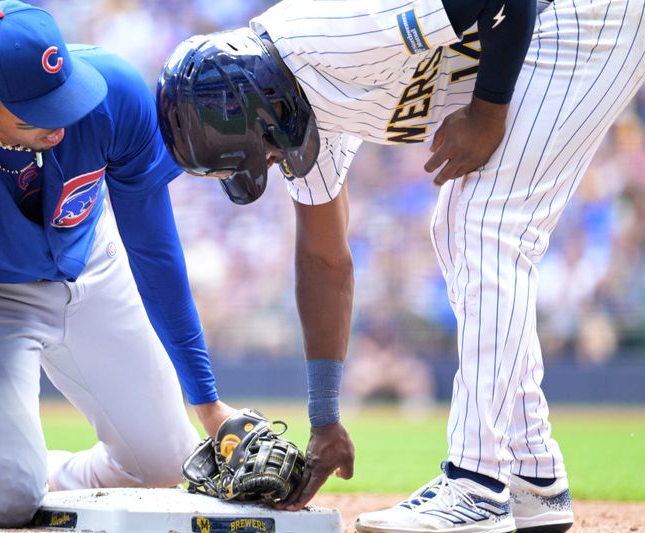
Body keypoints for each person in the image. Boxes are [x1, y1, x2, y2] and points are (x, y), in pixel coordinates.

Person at [156, 0, 645, 531]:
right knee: (462, 228)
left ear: (263, 105)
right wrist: (324, 419)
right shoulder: (295, 109)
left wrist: (487, 113)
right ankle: (532, 477)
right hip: (545, 31)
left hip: (585, 11)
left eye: (261, 149)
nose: (269, 161)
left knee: (482, 224)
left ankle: (477, 485)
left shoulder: (335, 35)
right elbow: (323, 257)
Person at [0, 1, 238, 530]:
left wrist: (209, 404)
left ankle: (19, 470)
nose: (61, 118)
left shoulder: (113, 92)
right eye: (37, 108)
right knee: (2, 503)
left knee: (167, 467)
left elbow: (154, 250)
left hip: (90, 258)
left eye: (64, 94)